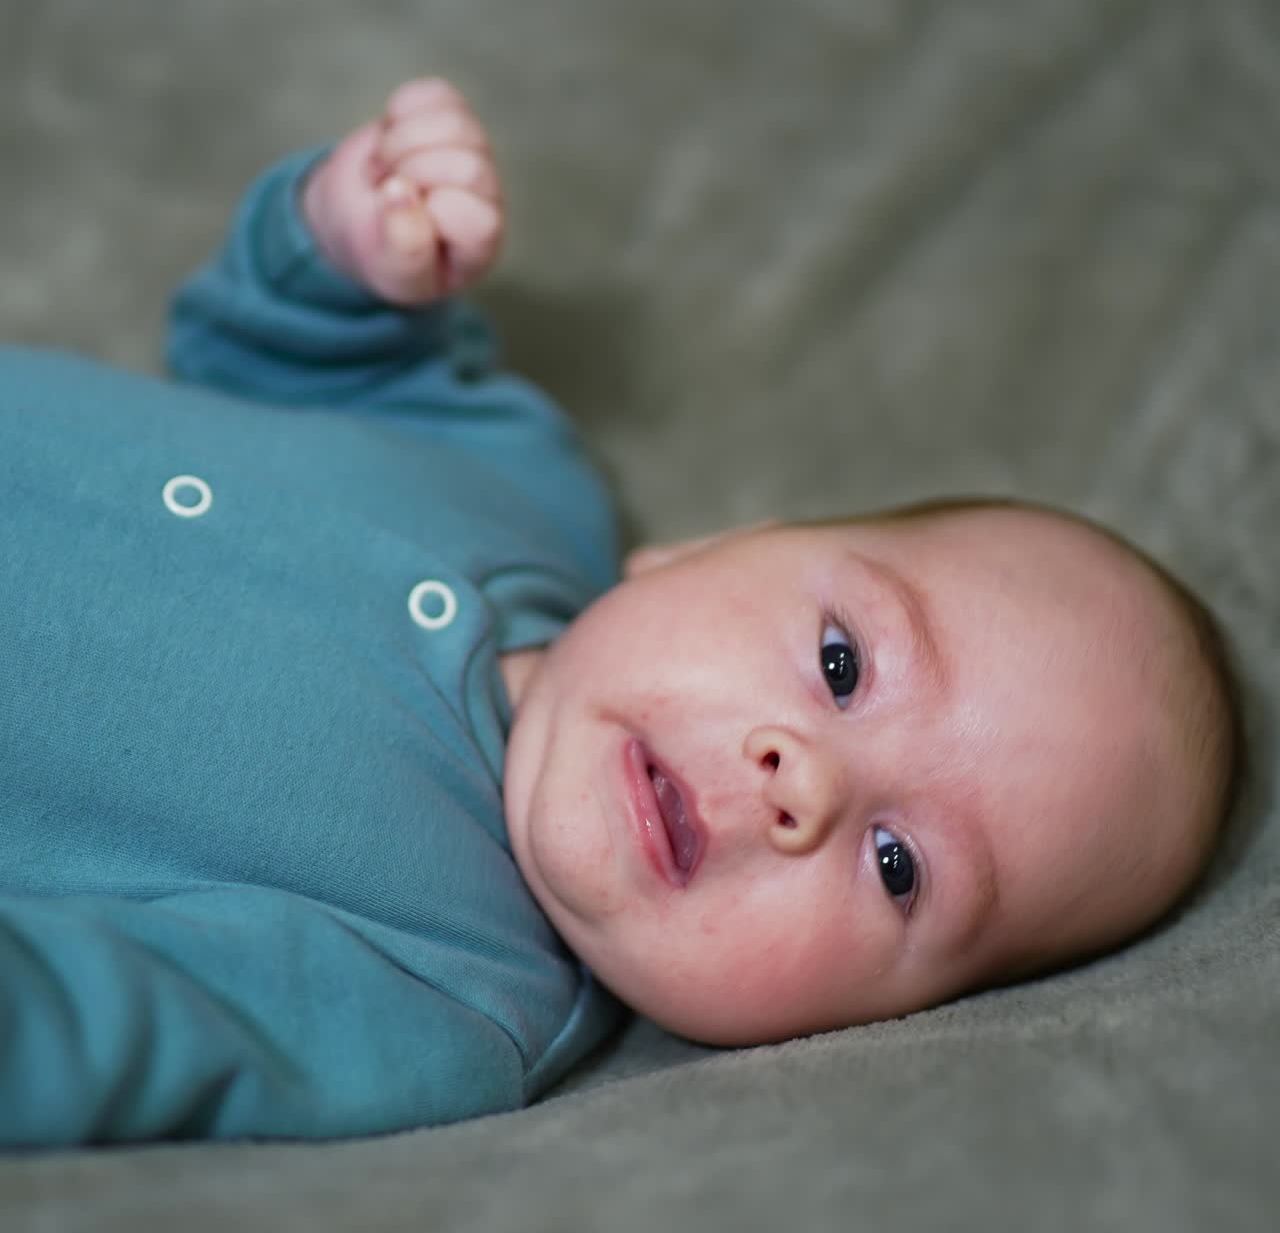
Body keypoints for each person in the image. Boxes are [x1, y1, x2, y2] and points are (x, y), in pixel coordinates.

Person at [0, 79, 1241, 1146]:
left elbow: (103, 1019)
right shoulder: (519, 477)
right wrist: (352, 242)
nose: (800, 781)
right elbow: (275, 358)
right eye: (839, 659)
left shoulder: (446, 1002)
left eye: (898, 865)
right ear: (711, 549)